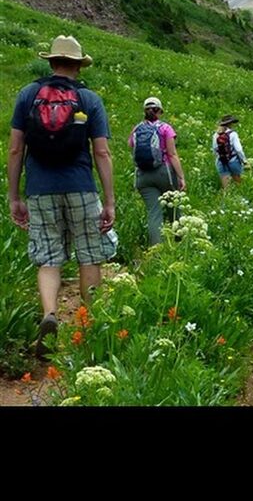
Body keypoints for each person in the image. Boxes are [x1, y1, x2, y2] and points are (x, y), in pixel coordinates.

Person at [6, 35, 116, 360]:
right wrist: (109, 201)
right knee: (88, 255)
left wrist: (14, 196)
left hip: (39, 189)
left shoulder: (28, 95)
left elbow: (15, 149)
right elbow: (102, 152)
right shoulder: (89, 99)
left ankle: (50, 313)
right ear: (79, 66)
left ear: (51, 62)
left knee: (49, 257)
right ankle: (90, 324)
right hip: (81, 185)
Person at [128, 96, 186, 246]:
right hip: (163, 172)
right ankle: (180, 241)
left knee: (154, 213)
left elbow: (131, 146)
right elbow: (172, 154)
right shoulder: (165, 128)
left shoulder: (137, 128)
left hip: (142, 176)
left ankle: (156, 249)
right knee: (174, 207)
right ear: (160, 111)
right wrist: (181, 177)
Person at [212, 114, 248, 189]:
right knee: (238, 184)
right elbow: (238, 149)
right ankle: (239, 199)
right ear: (230, 124)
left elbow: (215, 149)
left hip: (221, 161)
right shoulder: (233, 134)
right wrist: (244, 161)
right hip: (233, 160)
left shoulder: (216, 134)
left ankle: (226, 199)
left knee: (226, 188)